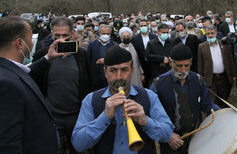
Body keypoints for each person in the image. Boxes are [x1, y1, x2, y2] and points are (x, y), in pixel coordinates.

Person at [72, 46, 173, 154]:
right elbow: (78, 144)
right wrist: (104, 117)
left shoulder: (149, 96)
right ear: (105, 72)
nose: (119, 77)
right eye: (113, 70)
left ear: (132, 71)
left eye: (124, 70)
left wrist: (145, 121)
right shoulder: (90, 100)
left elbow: (167, 134)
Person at [0, 16, 62, 153]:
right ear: (20, 44)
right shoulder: (5, 84)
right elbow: (7, 144)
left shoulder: (9, 72)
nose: (32, 43)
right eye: (29, 38)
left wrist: (47, 58)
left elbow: (25, 74)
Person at [33, 17, 93, 154]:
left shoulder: (82, 55)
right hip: (51, 117)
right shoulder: (42, 56)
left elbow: (89, 83)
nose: (61, 39)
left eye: (65, 35)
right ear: (51, 35)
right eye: (57, 36)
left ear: (73, 34)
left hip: (77, 116)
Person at [151, 43, 219, 154]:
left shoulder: (198, 80)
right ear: (171, 62)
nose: (183, 70)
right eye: (179, 66)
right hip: (171, 142)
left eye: (187, 65)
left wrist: (225, 114)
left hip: (196, 138)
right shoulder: (158, 84)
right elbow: (153, 115)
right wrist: (168, 135)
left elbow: (207, 105)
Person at [198, 24, 236, 108]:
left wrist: (233, 75)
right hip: (210, 79)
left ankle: (223, 116)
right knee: (213, 101)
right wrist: (201, 79)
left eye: (212, 33)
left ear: (216, 33)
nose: (210, 35)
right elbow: (200, 65)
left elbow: (230, 60)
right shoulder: (201, 47)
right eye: (208, 34)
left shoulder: (224, 44)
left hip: (223, 78)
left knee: (223, 100)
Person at [87, 25, 117, 90]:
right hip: (95, 78)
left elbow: (117, 60)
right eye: (103, 33)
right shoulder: (92, 45)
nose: (105, 35)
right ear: (99, 33)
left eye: (107, 34)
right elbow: (88, 60)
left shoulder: (114, 45)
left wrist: (105, 61)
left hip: (110, 77)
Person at [132, 19, 157, 87]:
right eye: (141, 25)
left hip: (152, 64)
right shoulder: (135, 39)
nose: (143, 27)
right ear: (139, 27)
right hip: (141, 64)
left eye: (145, 25)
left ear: (148, 26)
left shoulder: (154, 37)